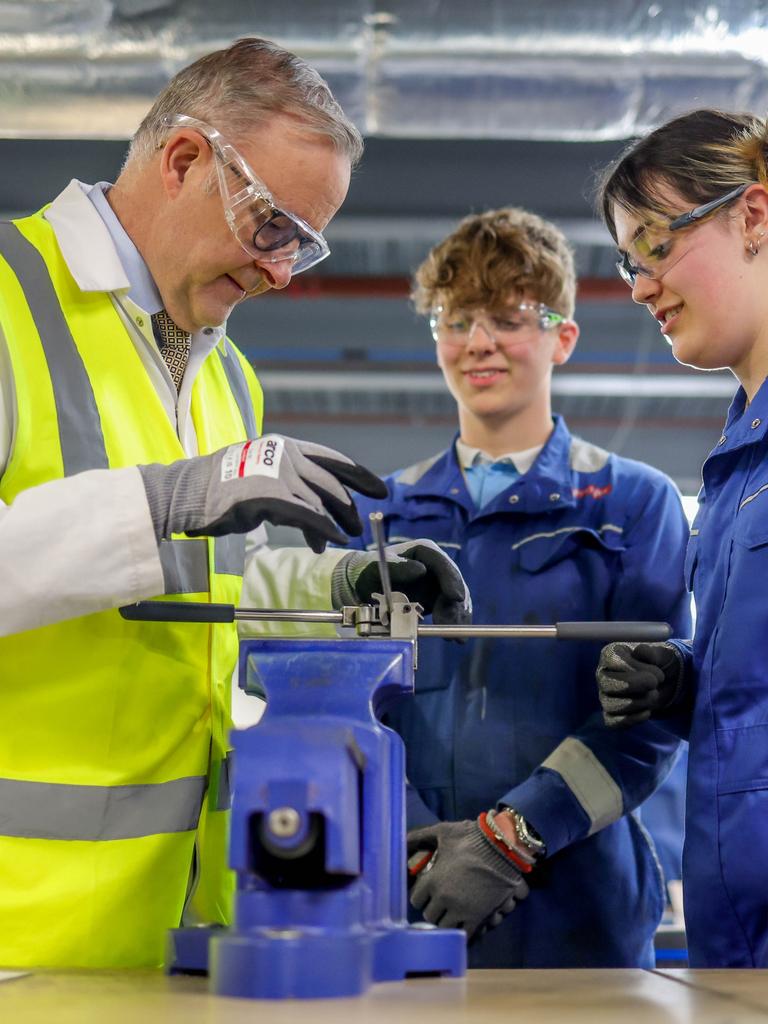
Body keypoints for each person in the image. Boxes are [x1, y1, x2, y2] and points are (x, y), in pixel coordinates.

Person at [0, 37, 469, 969]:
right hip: (23, 937)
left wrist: (344, 586)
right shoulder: (9, 300)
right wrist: (163, 497)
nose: (284, 272)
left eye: (305, 242)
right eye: (273, 226)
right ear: (184, 160)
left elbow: (212, 588)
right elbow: (156, 522)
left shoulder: (228, 377)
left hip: (186, 932)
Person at [352, 207, 692, 967]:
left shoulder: (632, 505)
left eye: (508, 318)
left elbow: (650, 720)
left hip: (580, 906)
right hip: (408, 894)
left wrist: (510, 838)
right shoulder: (379, 516)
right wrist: (417, 847)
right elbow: (342, 702)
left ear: (562, 335)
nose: (478, 342)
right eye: (456, 318)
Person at [594, 108, 768, 968]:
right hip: (736, 931)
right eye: (628, 261)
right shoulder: (736, 466)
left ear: (754, 217)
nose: (637, 284)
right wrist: (689, 685)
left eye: (656, 245)